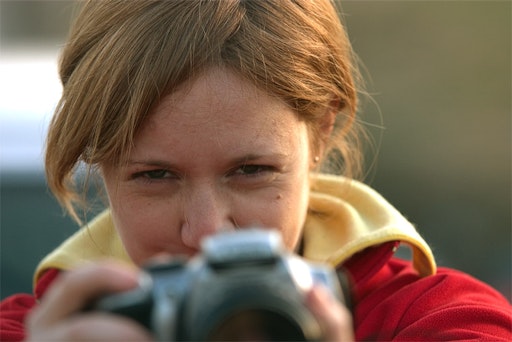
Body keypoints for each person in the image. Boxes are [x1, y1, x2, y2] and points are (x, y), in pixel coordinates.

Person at [1, 0, 510, 341]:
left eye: (250, 170)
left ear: (321, 133)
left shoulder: (442, 322)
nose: (205, 230)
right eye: (155, 176)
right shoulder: (32, 331)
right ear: (99, 160)